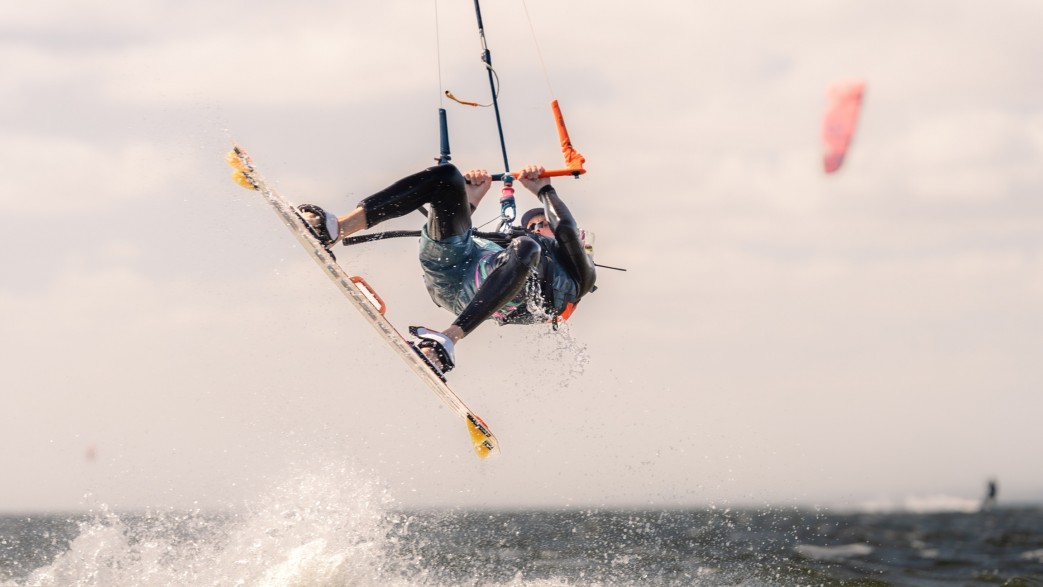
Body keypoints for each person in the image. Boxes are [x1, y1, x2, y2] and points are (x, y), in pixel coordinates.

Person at [297, 163, 596, 375]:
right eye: (531, 224)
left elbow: (566, 228)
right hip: (450, 269)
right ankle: (336, 229)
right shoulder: (512, 243)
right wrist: (471, 199)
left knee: (527, 248)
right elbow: (455, 227)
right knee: (447, 177)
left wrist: (544, 190)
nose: (537, 227)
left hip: (481, 297)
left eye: (543, 223)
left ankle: (447, 340)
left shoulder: (579, 276)